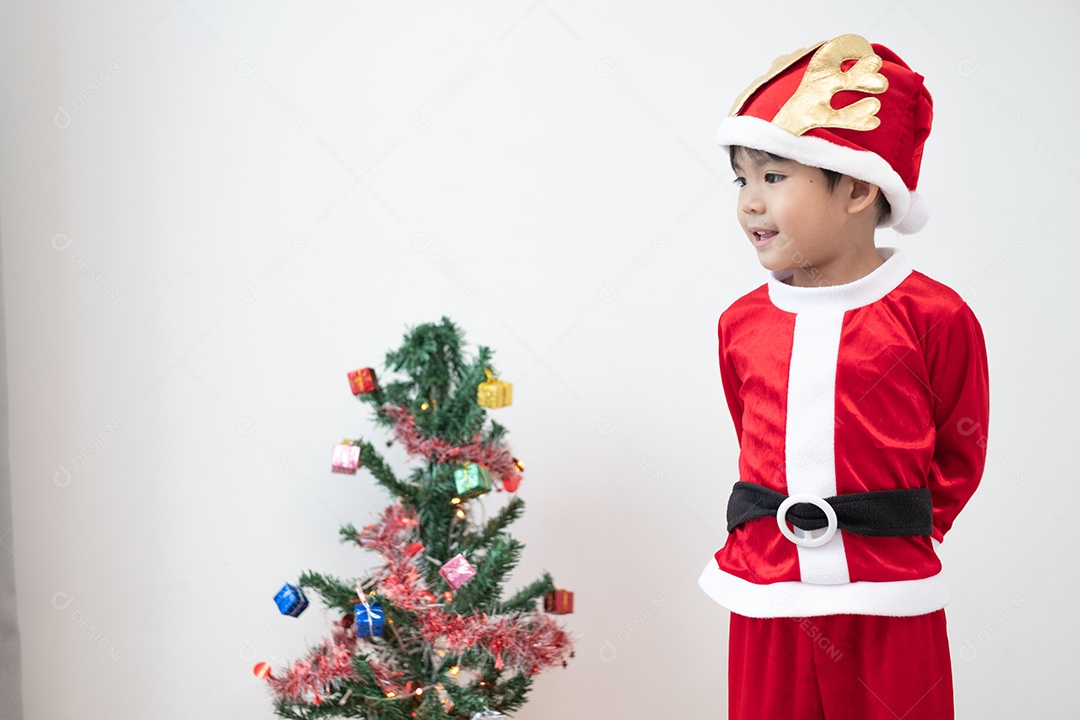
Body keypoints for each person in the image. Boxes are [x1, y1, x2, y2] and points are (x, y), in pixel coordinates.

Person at [697, 33, 990, 720]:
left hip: (889, 598)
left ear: (856, 186)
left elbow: (958, 450)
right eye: (742, 179)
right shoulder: (741, 322)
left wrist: (898, 532)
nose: (749, 203)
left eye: (773, 178)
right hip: (767, 592)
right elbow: (753, 435)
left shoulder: (934, 316)